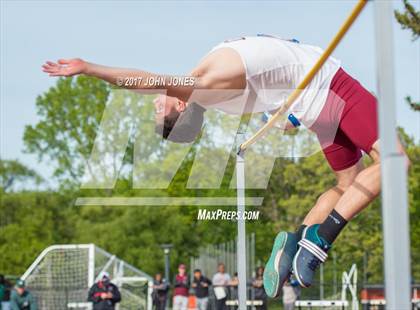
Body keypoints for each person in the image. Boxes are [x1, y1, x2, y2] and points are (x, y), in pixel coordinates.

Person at [42, 34, 410, 295]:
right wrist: (89, 68)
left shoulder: (216, 98)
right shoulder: (203, 83)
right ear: (182, 105)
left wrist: (292, 114)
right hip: (331, 85)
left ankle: (296, 239)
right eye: (161, 110)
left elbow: (272, 76)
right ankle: (320, 239)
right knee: (395, 160)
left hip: (310, 103)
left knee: (348, 184)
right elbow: (146, 80)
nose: (157, 103)